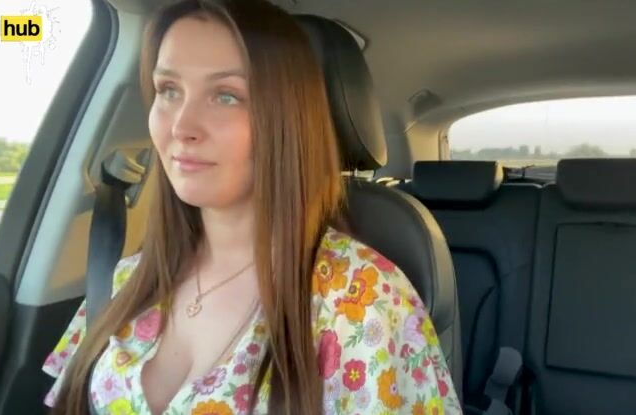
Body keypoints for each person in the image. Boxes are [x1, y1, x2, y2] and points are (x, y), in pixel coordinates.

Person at [40, 0, 461, 413]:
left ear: (286, 119)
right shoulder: (129, 276)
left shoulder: (366, 300)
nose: (181, 126)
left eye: (226, 96)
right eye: (168, 90)